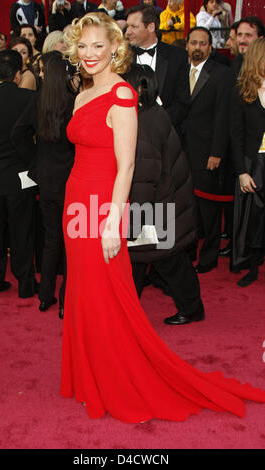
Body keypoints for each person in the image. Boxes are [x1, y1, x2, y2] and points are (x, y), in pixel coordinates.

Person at [60, 11, 265, 423]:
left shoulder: (121, 95)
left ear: (116, 47)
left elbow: (129, 166)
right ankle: (89, 374)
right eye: (83, 46)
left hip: (103, 206)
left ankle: (116, 377)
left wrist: (114, 222)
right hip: (75, 203)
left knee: (108, 296)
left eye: (99, 45)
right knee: (82, 291)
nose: (90, 54)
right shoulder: (82, 92)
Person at [124, 64, 204, 326]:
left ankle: (190, 309)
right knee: (162, 261)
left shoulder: (143, 126)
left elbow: (143, 181)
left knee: (161, 261)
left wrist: (133, 225)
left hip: (158, 209)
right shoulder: (154, 113)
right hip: (168, 204)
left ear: (136, 89)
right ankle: (128, 314)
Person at [12, 51, 77, 318]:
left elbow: (18, 133)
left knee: (52, 239)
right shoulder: (75, 102)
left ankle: (45, 296)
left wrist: (35, 163)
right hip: (72, 179)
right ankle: (65, 301)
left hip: (47, 180)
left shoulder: (38, 101)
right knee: (71, 243)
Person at [0, 50, 37, 299]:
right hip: (22, 177)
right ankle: (26, 285)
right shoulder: (31, 99)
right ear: (18, 73)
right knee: (22, 232)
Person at [185, 26, 233, 273]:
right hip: (182, 152)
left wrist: (217, 152)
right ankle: (188, 250)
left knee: (209, 208)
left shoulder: (222, 74)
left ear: (210, 48)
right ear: (187, 46)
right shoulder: (180, 72)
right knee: (188, 205)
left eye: (203, 44)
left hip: (207, 153)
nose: (197, 47)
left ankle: (209, 256)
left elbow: (223, 117)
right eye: (193, 43)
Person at [125, 4, 190, 139]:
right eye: (128, 26)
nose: (128, 32)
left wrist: (158, 124)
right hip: (129, 135)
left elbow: (182, 102)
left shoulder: (177, 57)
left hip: (164, 137)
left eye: (134, 27)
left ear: (151, 27)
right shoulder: (123, 57)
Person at [230, 38, 265, 287]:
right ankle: (252, 266)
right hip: (254, 164)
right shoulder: (243, 90)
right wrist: (241, 172)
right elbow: (235, 135)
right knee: (253, 218)